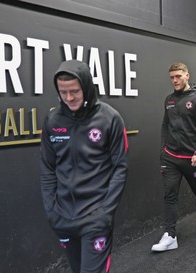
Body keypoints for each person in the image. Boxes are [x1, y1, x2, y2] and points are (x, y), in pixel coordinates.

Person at [40, 60, 129, 273]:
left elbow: (120, 167)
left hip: (95, 217)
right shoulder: (53, 119)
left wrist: (105, 212)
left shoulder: (109, 118)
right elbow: (47, 167)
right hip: (62, 217)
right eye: (63, 92)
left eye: (75, 91)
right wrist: (52, 209)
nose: (69, 98)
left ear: (87, 87)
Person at [151, 62, 196, 252]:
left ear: (187, 75)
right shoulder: (169, 100)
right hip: (170, 157)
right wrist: (163, 150)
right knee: (170, 195)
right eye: (172, 77)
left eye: (178, 76)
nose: (175, 80)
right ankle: (170, 235)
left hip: (191, 158)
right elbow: (164, 125)